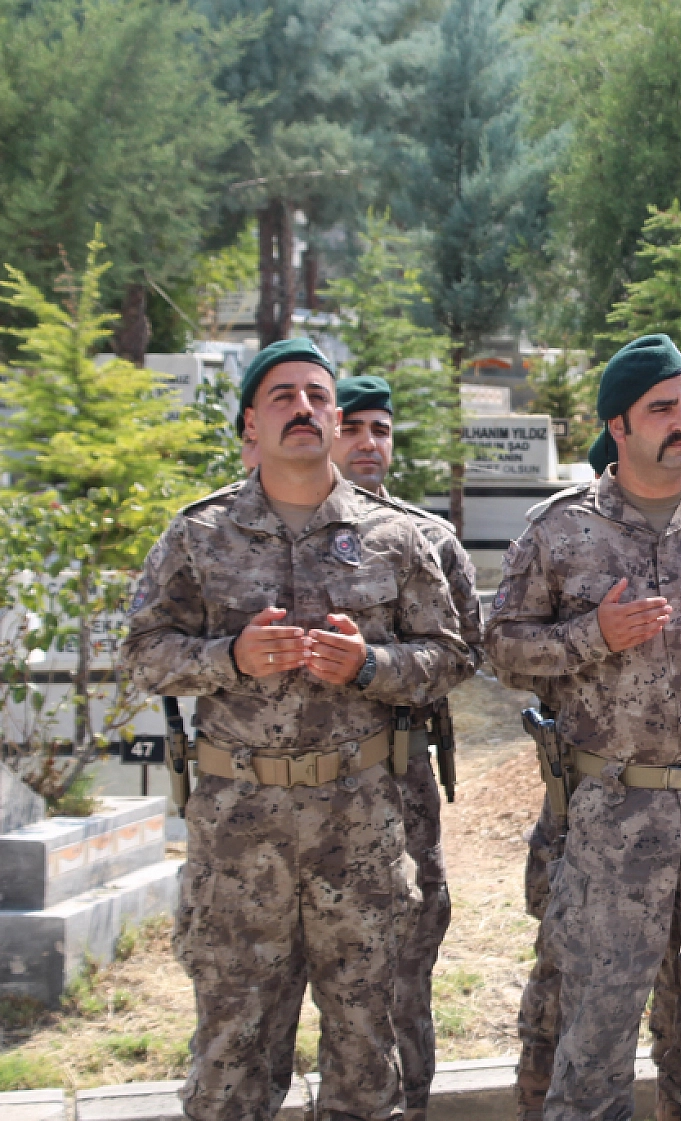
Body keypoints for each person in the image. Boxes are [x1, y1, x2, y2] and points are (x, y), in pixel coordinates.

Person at [121, 337, 472, 1121]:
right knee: (231, 1062)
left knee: (364, 1058)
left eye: (318, 396)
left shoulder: (393, 537)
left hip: (361, 828)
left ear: (337, 417)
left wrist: (370, 666)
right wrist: (230, 656)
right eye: (283, 396)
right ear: (251, 421)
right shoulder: (198, 536)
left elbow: (451, 654)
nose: (303, 408)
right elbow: (143, 653)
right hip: (239, 836)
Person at [485, 334, 681, 1121]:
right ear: (618, 426)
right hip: (613, 814)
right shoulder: (562, 531)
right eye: (662, 407)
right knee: (593, 1047)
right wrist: (593, 635)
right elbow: (500, 650)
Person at [329, 374, 485, 1121]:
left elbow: (465, 653)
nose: (368, 443)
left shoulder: (428, 538)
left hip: (395, 787)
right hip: (280, 802)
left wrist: (373, 666)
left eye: (380, 429)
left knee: (401, 972)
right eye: (353, 426)